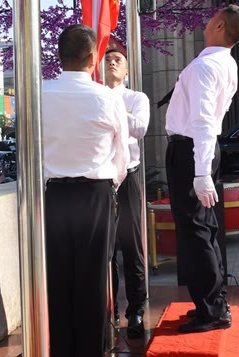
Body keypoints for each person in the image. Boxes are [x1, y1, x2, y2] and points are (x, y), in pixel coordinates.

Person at [42, 24, 130, 356]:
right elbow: (121, 157)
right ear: (93, 57)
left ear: (59, 56)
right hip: (95, 196)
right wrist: (111, 187)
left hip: (54, 196)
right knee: (94, 280)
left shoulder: (40, 94)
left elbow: (31, 154)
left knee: (58, 280)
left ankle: (63, 349)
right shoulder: (107, 98)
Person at [165, 4, 239, 333]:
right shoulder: (224, 63)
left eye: (214, 16)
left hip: (191, 150)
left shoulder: (207, 66)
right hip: (197, 149)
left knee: (196, 230)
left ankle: (213, 308)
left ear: (218, 26)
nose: (208, 18)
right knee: (203, 228)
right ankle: (210, 300)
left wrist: (201, 172)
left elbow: (202, 120)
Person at [104, 48, 150, 338]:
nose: (111, 62)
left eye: (117, 60)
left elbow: (140, 128)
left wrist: (113, 106)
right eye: (107, 60)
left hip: (128, 179)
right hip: (101, 180)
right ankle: (109, 311)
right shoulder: (93, 94)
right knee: (105, 251)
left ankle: (135, 312)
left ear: (127, 71)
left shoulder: (136, 98)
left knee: (132, 247)